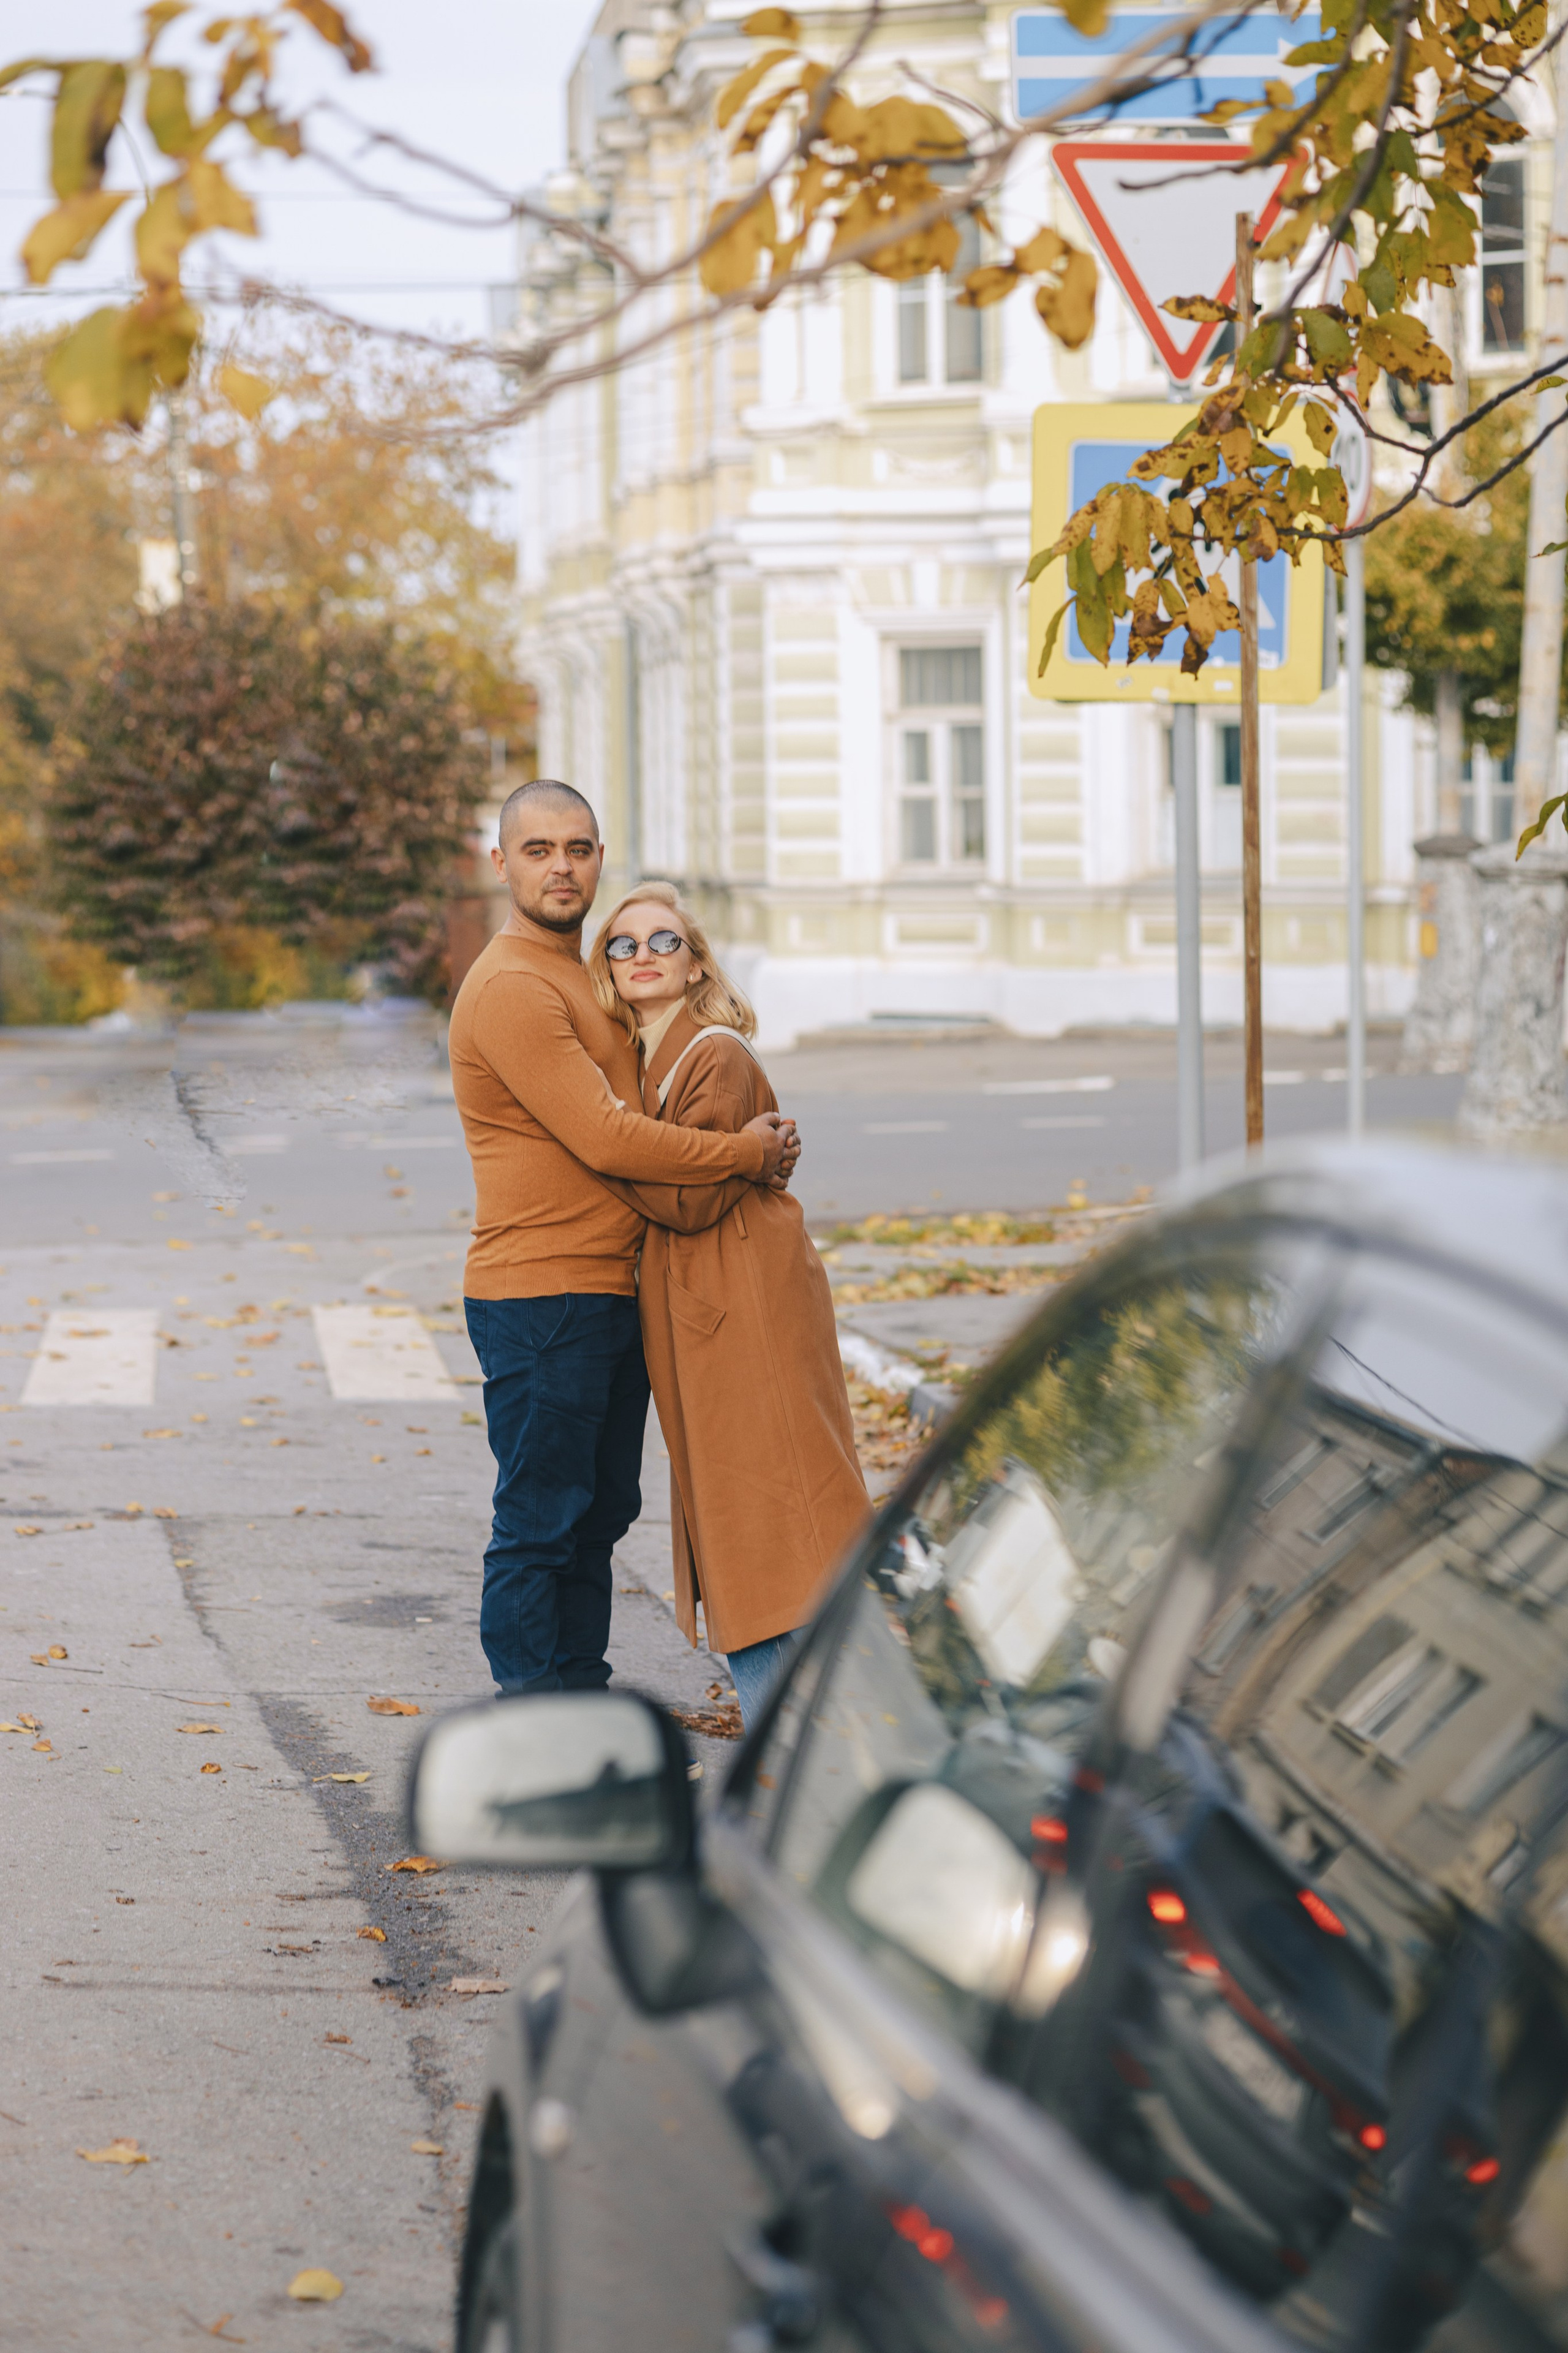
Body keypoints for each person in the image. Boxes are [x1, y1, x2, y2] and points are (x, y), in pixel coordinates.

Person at [448, 781, 798, 1698]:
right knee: (539, 1523)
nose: (561, 866)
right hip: (542, 1296)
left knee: (597, 1516)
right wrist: (744, 1155)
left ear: (599, 858)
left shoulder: (588, 975)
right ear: (502, 864)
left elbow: (656, 1095)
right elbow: (606, 1137)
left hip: (607, 1291)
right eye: (538, 850)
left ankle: (578, 1707)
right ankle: (534, 1730)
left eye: (578, 847)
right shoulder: (515, 985)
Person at [588, 880, 869, 1729]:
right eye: (623, 943)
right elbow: (690, 1171)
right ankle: (810, 1740)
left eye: (663, 941)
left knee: (762, 1531)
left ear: (696, 961)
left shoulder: (715, 1054)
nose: (642, 955)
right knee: (750, 1532)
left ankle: (804, 1751)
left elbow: (687, 1202)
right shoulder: (642, 1065)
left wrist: (599, 1147)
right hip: (710, 1317)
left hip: (747, 1317)